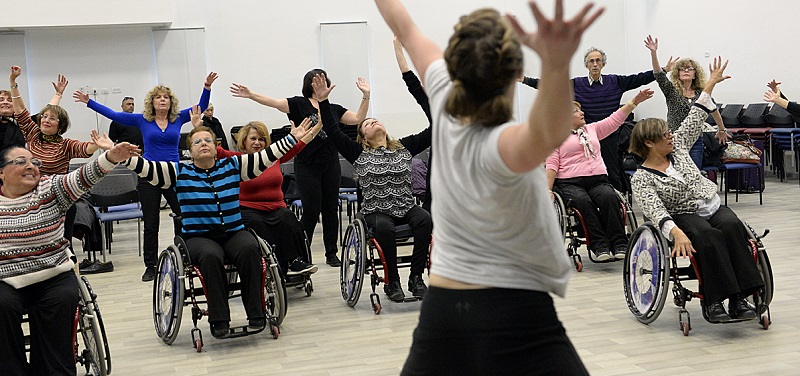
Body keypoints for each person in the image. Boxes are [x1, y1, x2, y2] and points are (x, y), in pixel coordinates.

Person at [374, 0, 603, 374]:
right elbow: (551, 128)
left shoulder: (442, 95)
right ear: (515, 72)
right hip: (517, 313)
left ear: (454, 67)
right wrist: (557, 61)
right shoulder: (504, 144)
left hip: (445, 311)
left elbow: (404, 24)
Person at [120, 111, 319, 339]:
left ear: (216, 148)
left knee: (250, 249)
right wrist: (122, 157)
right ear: (189, 150)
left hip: (233, 232)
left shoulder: (233, 165)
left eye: (208, 141)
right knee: (211, 256)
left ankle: (256, 314)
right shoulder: (178, 171)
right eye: (197, 142)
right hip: (198, 238)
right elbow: (147, 169)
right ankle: (219, 319)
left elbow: (266, 156)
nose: (203, 144)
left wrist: (292, 138)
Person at [629, 57, 763, 323]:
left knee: (732, 227)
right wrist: (675, 233)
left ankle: (740, 297)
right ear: (648, 143)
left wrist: (710, 83)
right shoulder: (642, 178)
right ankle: (713, 301)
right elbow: (655, 211)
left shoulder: (677, 146)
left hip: (709, 205)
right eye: (664, 134)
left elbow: (695, 115)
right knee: (707, 236)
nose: (671, 136)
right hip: (682, 215)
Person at [0, 142, 140, 375]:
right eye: (20, 162)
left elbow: (83, 177)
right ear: (1, 172)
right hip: (6, 280)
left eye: (34, 162)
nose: (30, 166)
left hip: (52, 274)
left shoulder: (50, 189)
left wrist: (110, 157)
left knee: (62, 301)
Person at [74, 72, 217, 282]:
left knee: (183, 216)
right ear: (152, 102)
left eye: (165, 97)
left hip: (173, 174)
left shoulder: (178, 118)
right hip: (148, 174)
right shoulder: (142, 120)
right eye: (158, 97)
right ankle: (150, 266)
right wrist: (90, 103)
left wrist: (206, 86)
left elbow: (200, 107)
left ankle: (187, 255)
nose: (162, 100)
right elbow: (114, 115)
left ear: (170, 102)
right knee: (151, 223)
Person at [313, 73, 433, 302]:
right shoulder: (358, 153)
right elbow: (334, 130)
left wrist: (424, 96)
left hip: (405, 206)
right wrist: (323, 101)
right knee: (385, 228)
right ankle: (392, 281)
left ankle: (416, 278)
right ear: (364, 138)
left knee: (425, 219)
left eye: (375, 120)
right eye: (367, 123)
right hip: (376, 211)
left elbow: (434, 125)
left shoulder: (404, 147)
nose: (373, 121)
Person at [230, 73, 370, 267]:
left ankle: (332, 253)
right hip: (307, 165)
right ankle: (301, 253)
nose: (320, 82)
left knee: (330, 208)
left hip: (330, 164)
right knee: (311, 210)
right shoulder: (298, 104)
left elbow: (357, 118)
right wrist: (251, 94)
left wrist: (366, 96)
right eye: (316, 79)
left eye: (323, 78)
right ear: (309, 84)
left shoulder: (333, 108)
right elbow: (274, 102)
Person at [521, 39, 656, 193]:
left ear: (603, 64)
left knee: (613, 174)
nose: (595, 64)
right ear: (586, 65)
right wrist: (525, 80)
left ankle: (619, 208)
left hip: (610, 135)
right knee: (590, 175)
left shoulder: (616, 81)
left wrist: (662, 70)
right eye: (591, 61)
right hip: (587, 136)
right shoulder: (577, 84)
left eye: (598, 60)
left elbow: (640, 78)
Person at [10, 67, 115, 264]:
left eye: (52, 118)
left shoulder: (65, 145)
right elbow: (20, 110)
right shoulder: (32, 134)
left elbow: (86, 149)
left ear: (61, 125)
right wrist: (13, 83)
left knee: (63, 248)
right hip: (32, 201)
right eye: (44, 117)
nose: (46, 120)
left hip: (58, 201)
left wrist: (99, 145)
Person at [547, 89, 653, 261]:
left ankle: (620, 243)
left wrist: (635, 101)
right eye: (576, 111)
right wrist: (548, 189)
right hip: (569, 182)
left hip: (597, 180)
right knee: (583, 202)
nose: (582, 113)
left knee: (609, 197)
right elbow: (551, 165)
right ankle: (599, 246)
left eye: (580, 110)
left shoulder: (592, 129)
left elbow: (615, 119)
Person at [211, 119, 318, 277]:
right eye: (253, 138)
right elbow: (215, 150)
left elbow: (303, 142)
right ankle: (273, 265)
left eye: (261, 139)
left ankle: (294, 261)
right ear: (244, 141)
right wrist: (198, 125)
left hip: (276, 208)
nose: (257, 142)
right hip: (248, 209)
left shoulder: (274, 157)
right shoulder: (236, 159)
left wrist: (321, 123)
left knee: (289, 219)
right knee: (257, 224)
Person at [645, 36, 727, 168]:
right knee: (677, 171)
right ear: (677, 73)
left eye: (689, 69)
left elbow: (714, 109)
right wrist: (653, 53)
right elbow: (659, 75)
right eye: (682, 69)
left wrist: (722, 129)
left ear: (695, 74)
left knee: (694, 171)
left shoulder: (701, 94)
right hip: (674, 138)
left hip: (695, 139)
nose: (686, 71)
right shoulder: (671, 91)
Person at [393, 36, 433, 212]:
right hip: (440, 162)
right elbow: (409, 78)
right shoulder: (433, 106)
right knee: (432, 202)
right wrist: (398, 48)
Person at [0, 88, 25, 153]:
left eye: (10, 100)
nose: (5, 102)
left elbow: (45, 114)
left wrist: (56, 96)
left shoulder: (23, 124)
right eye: (1, 100)